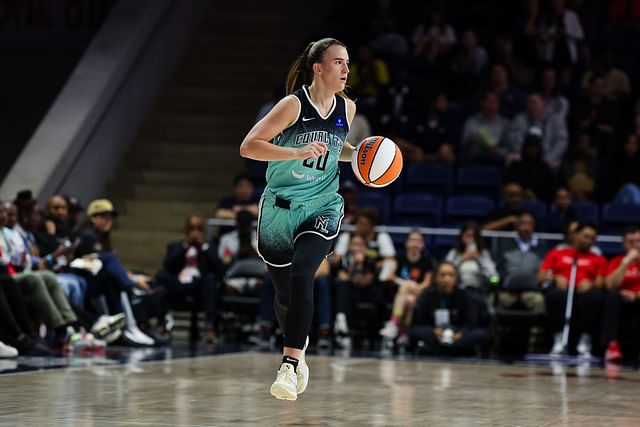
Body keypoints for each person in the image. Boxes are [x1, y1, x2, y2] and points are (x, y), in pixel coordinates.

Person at [239, 38, 356, 401]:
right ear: (318, 68)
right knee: (286, 295)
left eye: (348, 63)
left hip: (322, 205)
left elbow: (338, 149)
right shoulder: (293, 105)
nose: (346, 69)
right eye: (338, 62)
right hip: (280, 207)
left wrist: (364, 157)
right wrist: (295, 151)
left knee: (305, 272)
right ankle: (298, 346)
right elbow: (249, 146)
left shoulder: (347, 109)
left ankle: (288, 364)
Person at [538, 222, 606, 357]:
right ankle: (558, 340)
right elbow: (540, 277)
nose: (588, 241)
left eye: (592, 238)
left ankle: (585, 341)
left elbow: (600, 283)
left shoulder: (598, 259)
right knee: (554, 295)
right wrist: (556, 277)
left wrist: (590, 283)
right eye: (586, 236)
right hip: (562, 291)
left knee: (593, 296)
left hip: (583, 292)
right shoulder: (556, 253)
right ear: (575, 236)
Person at [410, 261, 490, 356]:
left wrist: (460, 333)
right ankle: (447, 348)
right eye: (443, 275)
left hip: (457, 334)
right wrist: (433, 331)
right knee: (415, 332)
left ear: (456, 277)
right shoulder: (427, 294)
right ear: (436, 277)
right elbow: (421, 320)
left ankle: (444, 348)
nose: (447, 279)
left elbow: (470, 321)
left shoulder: (464, 295)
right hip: (435, 334)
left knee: (481, 334)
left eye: (451, 275)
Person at [379, 230, 433, 348]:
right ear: (406, 243)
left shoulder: (427, 261)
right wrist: (404, 283)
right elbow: (391, 276)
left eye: (418, 241)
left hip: (419, 293)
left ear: (423, 244)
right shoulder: (399, 258)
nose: (415, 244)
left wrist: (415, 287)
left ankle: (393, 323)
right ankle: (404, 334)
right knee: (409, 300)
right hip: (401, 294)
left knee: (408, 290)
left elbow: (427, 283)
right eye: (412, 240)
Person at [602, 226, 640, 362]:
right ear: (624, 244)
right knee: (611, 295)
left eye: (638, 241)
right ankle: (612, 346)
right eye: (631, 242)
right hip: (621, 301)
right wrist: (627, 261)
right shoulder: (617, 261)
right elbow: (610, 285)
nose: (635, 245)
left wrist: (636, 295)